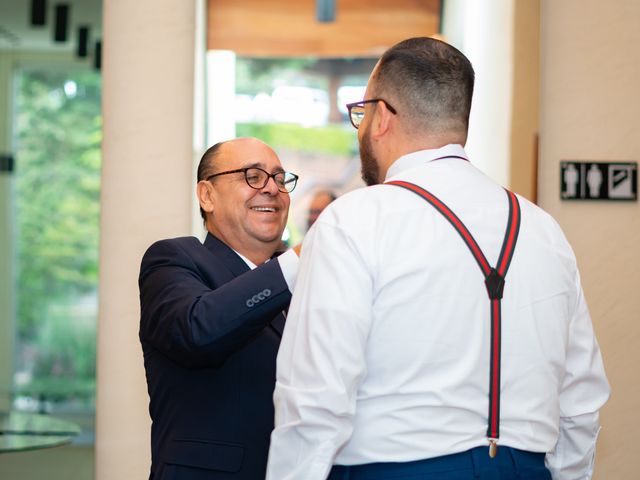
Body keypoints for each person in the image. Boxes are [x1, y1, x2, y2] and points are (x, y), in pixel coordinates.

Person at [266, 37, 610, 480]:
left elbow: (313, 405)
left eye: (361, 113)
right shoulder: (544, 230)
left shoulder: (353, 220)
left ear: (382, 117)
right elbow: (580, 403)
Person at [139, 137, 300, 480]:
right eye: (253, 176)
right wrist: (297, 261)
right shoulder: (174, 260)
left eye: (280, 178)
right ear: (207, 195)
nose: (272, 188)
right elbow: (197, 331)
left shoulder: (306, 282)